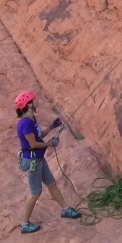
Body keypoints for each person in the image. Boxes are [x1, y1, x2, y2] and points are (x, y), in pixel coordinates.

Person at [14, 90, 81, 233]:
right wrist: (51, 144)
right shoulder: (25, 124)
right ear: (29, 104)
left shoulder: (32, 120)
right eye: (34, 99)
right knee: (35, 192)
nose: (37, 100)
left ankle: (65, 209)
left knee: (51, 183)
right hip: (33, 161)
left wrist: (51, 127)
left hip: (38, 159)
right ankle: (25, 224)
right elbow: (33, 144)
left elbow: (38, 136)